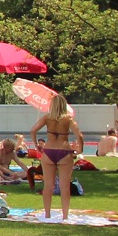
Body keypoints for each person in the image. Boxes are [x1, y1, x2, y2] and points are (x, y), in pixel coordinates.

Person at [32, 91, 83, 220]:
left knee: (48, 186)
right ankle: (65, 215)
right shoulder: (68, 119)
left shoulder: (47, 117)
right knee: (64, 187)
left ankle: (47, 214)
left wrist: (36, 145)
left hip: (48, 152)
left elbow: (33, 130)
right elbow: (79, 135)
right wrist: (80, 149)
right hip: (64, 151)